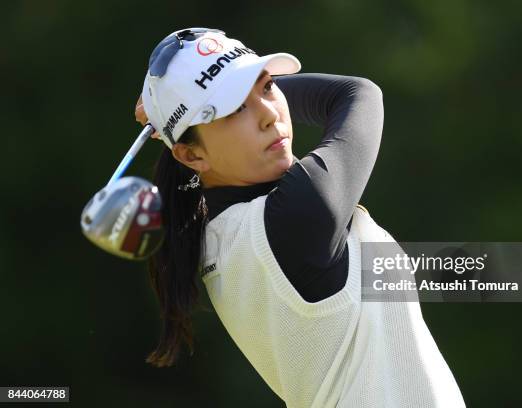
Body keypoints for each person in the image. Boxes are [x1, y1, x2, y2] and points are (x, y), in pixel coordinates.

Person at [135, 27, 465, 407]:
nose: (269, 115)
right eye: (234, 109)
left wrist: (182, 111)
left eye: (268, 86)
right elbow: (357, 94)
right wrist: (177, 110)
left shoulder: (221, 232)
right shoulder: (294, 217)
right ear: (192, 156)